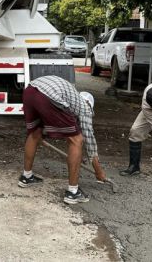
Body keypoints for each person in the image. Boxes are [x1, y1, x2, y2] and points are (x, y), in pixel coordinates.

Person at [18, 75, 106, 205]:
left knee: (35, 133)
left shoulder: (70, 97)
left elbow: (51, 119)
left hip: (30, 90)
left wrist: (45, 133)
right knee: (77, 140)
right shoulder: (84, 107)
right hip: (47, 94)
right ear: (90, 105)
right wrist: (98, 171)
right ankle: (73, 192)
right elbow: (90, 142)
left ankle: (26, 177)